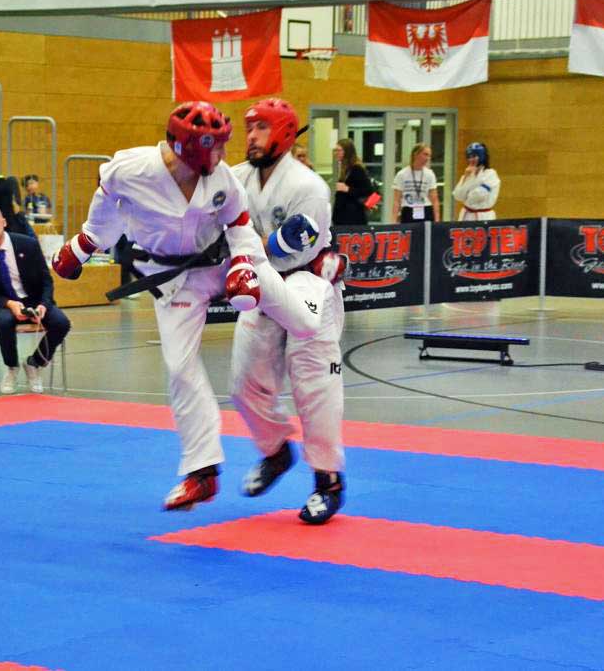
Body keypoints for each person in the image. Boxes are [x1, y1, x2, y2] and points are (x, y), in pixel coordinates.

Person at [51, 100, 324, 512]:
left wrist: (243, 265)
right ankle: (202, 473)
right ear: (187, 148)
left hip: (223, 260)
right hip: (175, 280)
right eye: (215, 148)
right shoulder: (130, 169)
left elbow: (240, 225)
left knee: (304, 322)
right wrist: (85, 243)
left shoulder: (222, 179)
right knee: (180, 367)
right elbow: (107, 205)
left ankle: (317, 283)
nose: (222, 155)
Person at [231, 98, 349, 524]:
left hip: (307, 281)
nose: (252, 136)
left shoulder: (308, 187)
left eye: (261, 128)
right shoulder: (236, 179)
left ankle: (328, 481)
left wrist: (242, 251)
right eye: (249, 128)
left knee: (314, 386)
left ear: (282, 133)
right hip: (262, 282)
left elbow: (294, 248)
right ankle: (276, 451)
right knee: (243, 384)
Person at [0, 205, 70, 394]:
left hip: (33, 300)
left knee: (61, 323)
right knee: (4, 321)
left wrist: (43, 304)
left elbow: (46, 280)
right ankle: (11, 367)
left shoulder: (28, 244)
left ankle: (34, 363)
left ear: (4, 222)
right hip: (2, 304)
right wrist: (10, 304)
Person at [392, 143, 440, 223]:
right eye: (425, 154)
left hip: (426, 209)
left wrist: (437, 220)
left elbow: (435, 199)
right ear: (416, 154)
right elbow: (397, 200)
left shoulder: (430, 174)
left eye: (429, 156)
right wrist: (393, 221)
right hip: (408, 210)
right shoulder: (402, 174)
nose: (427, 158)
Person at [453, 142, 501, 221]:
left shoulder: (491, 174)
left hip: (484, 216)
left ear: (482, 156)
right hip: (466, 216)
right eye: (469, 157)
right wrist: (466, 176)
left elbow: (478, 195)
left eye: (474, 156)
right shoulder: (468, 174)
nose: (471, 159)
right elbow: (457, 196)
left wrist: (466, 196)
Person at [331, 138, 373, 227]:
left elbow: (368, 191)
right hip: (344, 217)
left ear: (347, 152)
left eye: (339, 150)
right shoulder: (345, 168)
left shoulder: (357, 169)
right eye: (335, 150)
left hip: (353, 218)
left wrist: (347, 189)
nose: (336, 153)